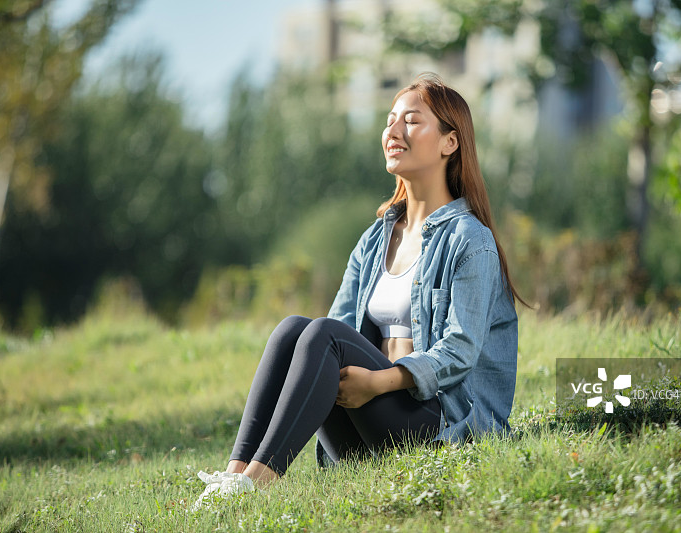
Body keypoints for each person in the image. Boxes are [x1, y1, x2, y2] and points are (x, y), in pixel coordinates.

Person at [195, 73, 523, 504]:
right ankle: (234, 475)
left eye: (411, 121)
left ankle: (254, 485)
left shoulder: (468, 239)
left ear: (450, 142)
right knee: (296, 329)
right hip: (366, 429)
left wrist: (379, 383)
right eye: (390, 121)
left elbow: (460, 348)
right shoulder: (376, 237)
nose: (393, 131)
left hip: (441, 429)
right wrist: (359, 384)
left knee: (321, 333)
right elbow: (337, 328)